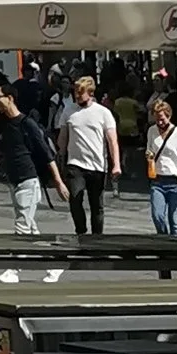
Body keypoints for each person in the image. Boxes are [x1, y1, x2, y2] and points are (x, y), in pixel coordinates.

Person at [0, 86, 67, 238]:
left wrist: (58, 181)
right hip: (13, 178)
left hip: (28, 178)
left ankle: (21, 259)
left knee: (22, 225)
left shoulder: (27, 123)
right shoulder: (3, 122)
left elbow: (46, 153)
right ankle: (39, 255)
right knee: (29, 222)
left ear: (10, 98)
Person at [57, 72, 120, 238]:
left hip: (97, 165)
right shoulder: (68, 111)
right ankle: (81, 232)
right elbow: (63, 137)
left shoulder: (103, 113)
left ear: (91, 93)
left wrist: (116, 164)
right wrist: (59, 158)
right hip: (75, 164)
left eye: (80, 92)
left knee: (96, 204)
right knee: (75, 198)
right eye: (75, 92)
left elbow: (112, 140)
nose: (77, 95)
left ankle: (97, 237)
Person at [145, 96, 177, 238]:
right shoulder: (151, 131)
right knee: (158, 216)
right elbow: (150, 151)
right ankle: (165, 241)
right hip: (158, 180)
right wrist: (149, 155)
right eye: (157, 118)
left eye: (162, 118)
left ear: (169, 116)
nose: (160, 122)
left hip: (176, 181)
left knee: (175, 220)